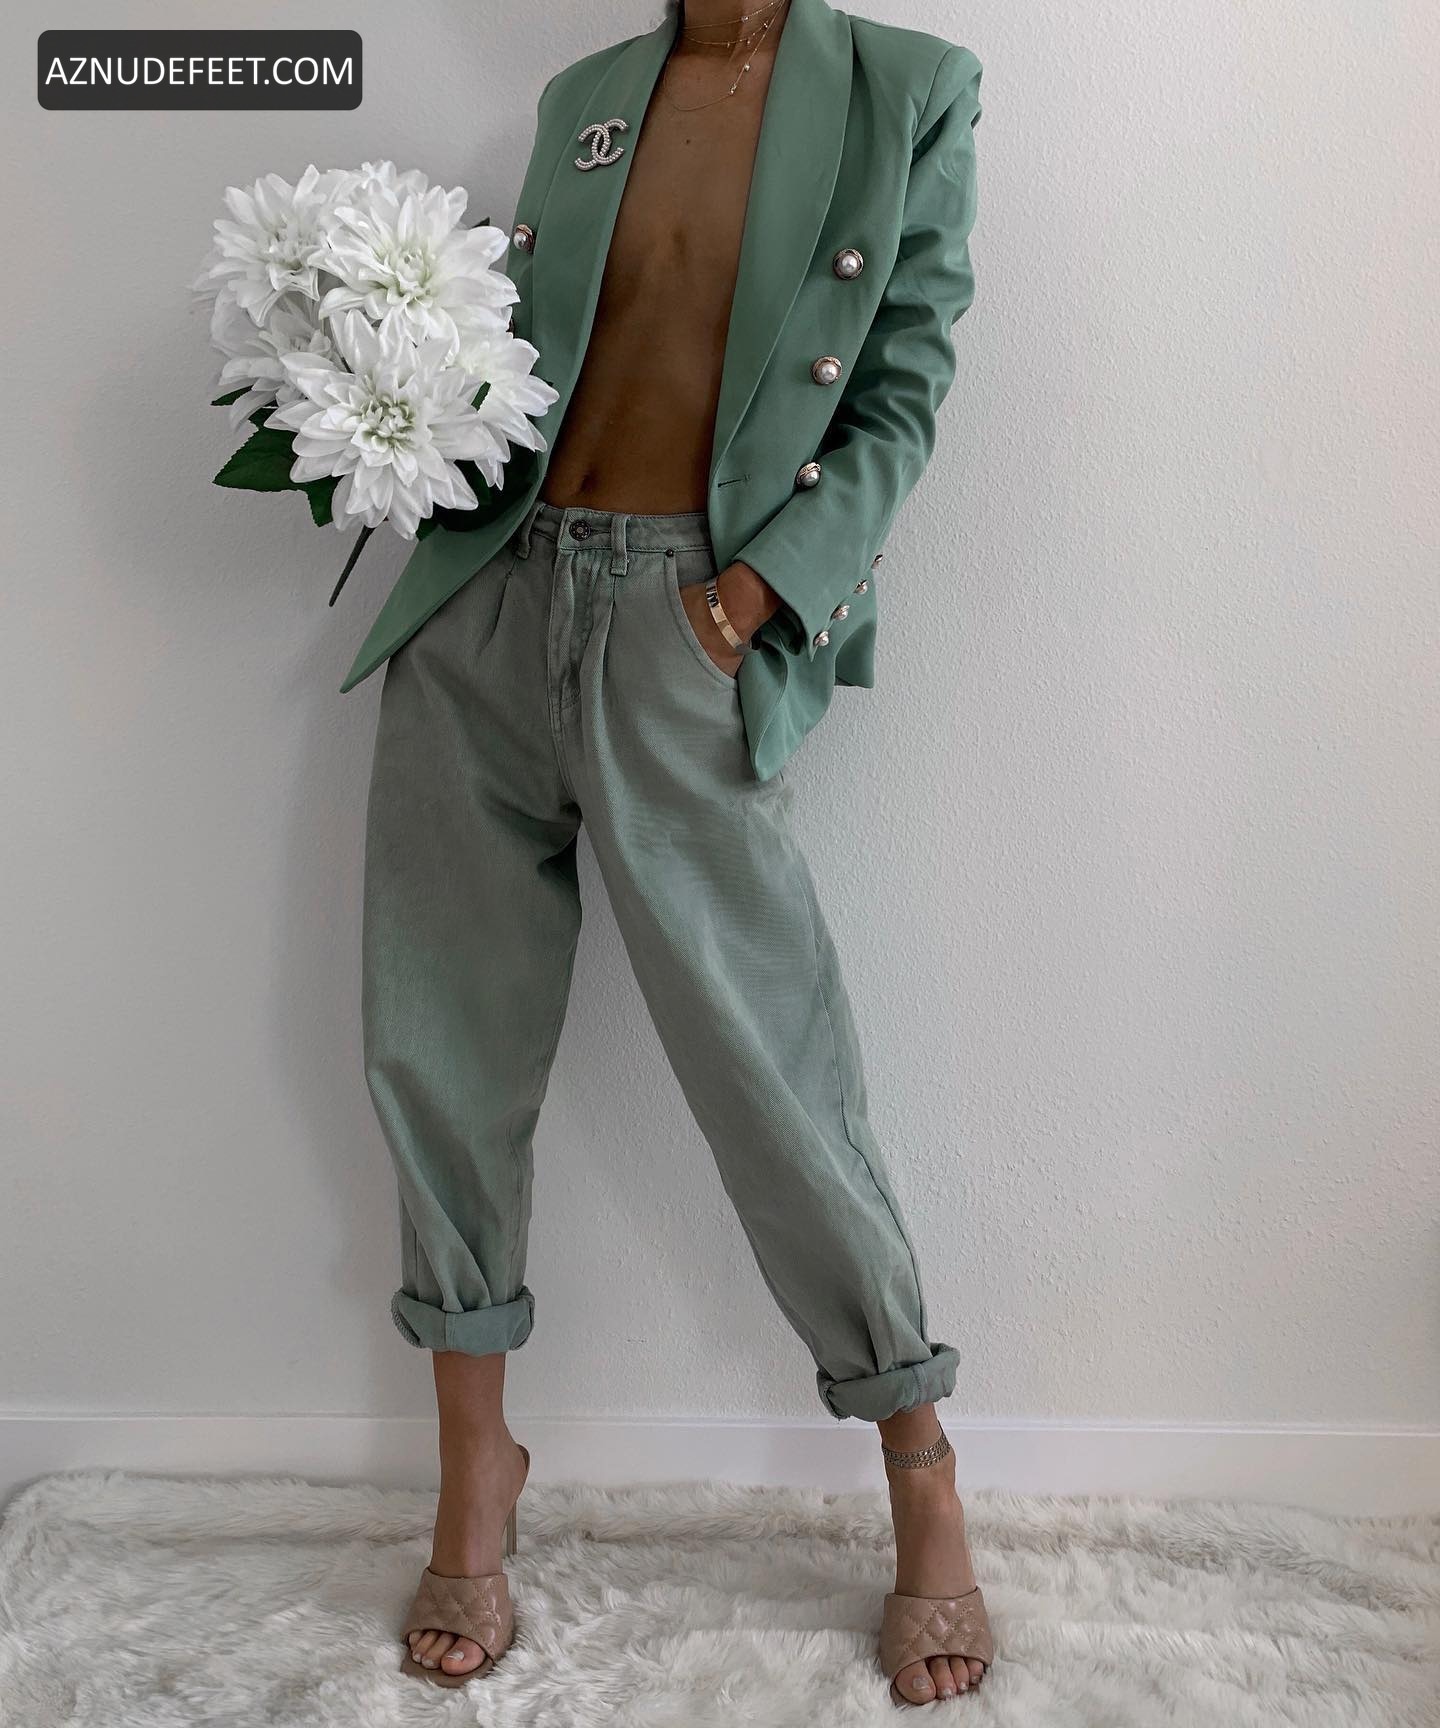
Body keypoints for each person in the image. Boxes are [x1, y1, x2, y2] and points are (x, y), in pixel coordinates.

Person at [345, 0, 991, 1704]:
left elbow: (902, 390)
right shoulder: (589, 92)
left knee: (771, 1065)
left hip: (682, 623)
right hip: (487, 608)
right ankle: (476, 1472)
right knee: (438, 1048)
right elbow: (522, 350)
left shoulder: (909, 90)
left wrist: (750, 601)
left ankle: (920, 1462)